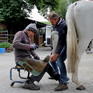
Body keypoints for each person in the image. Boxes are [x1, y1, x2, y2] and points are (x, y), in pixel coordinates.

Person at [12, 23, 60, 90]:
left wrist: (36, 55)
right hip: (21, 60)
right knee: (44, 65)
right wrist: (29, 46)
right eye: (33, 32)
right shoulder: (20, 33)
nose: (33, 34)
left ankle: (57, 77)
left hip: (27, 59)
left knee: (45, 64)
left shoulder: (27, 38)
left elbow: (30, 49)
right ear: (28, 30)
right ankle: (29, 82)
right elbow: (15, 44)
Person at [48, 11, 68, 91]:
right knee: (52, 59)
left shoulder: (63, 26)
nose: (51, 24)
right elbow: (56, 39)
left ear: (56, 19)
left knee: (59, 59)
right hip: (60, 44)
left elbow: (62, 41)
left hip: (67, 45)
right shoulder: (55, 25)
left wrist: (56, 53)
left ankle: (63, 82)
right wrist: (54, 49)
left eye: (52, 22)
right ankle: (57, 75)